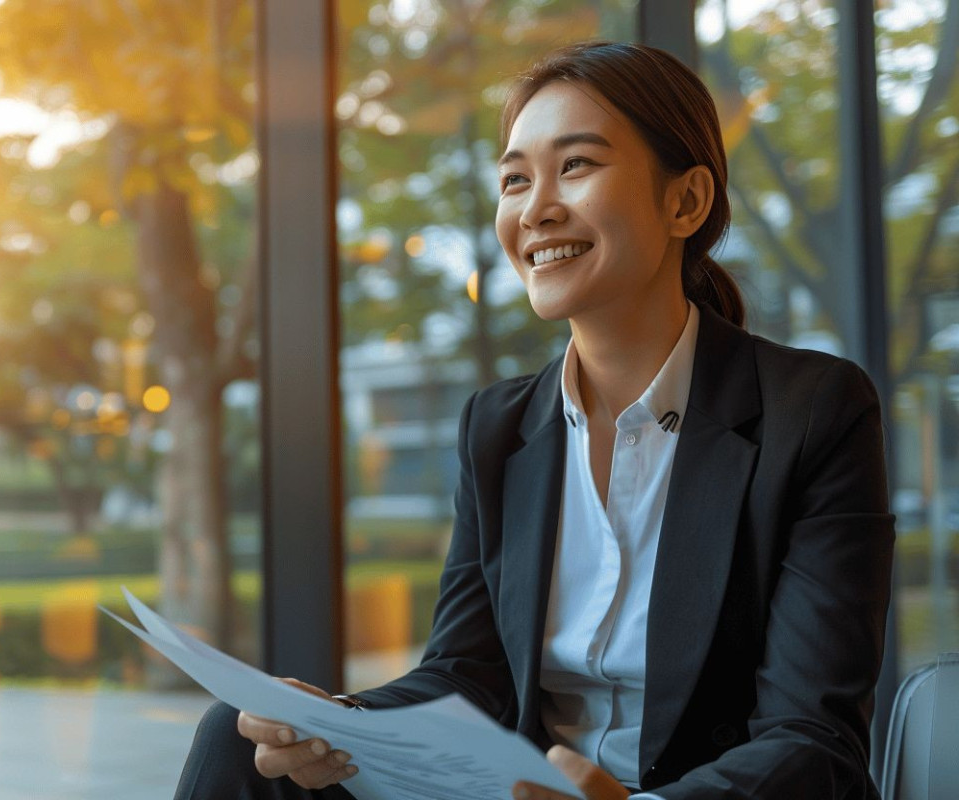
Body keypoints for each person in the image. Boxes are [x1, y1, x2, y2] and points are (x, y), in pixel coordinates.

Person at [173, 41, 894, 800]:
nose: (535, 208)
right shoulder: (498, 425)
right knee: (240, 737)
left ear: (685, 201)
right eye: (516, 179)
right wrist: (339, 721)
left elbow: (812, 739)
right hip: (520, 791)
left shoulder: (811, 411)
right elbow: (467, 675)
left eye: (576, 165)